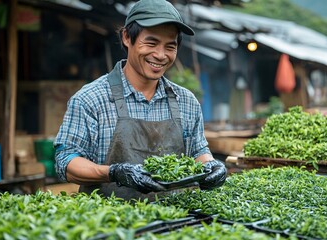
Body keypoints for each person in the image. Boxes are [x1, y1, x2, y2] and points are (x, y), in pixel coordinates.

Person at [54, 0, 227, 201]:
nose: (160, 55)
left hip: (174, 223)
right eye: (151, 43)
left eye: (170, 46)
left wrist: (211, 165)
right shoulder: (91, 99)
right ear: (127, 37)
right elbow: (66, 162)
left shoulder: (186, 102)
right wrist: (115, 173)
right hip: (109, 223)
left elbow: (198, 151)